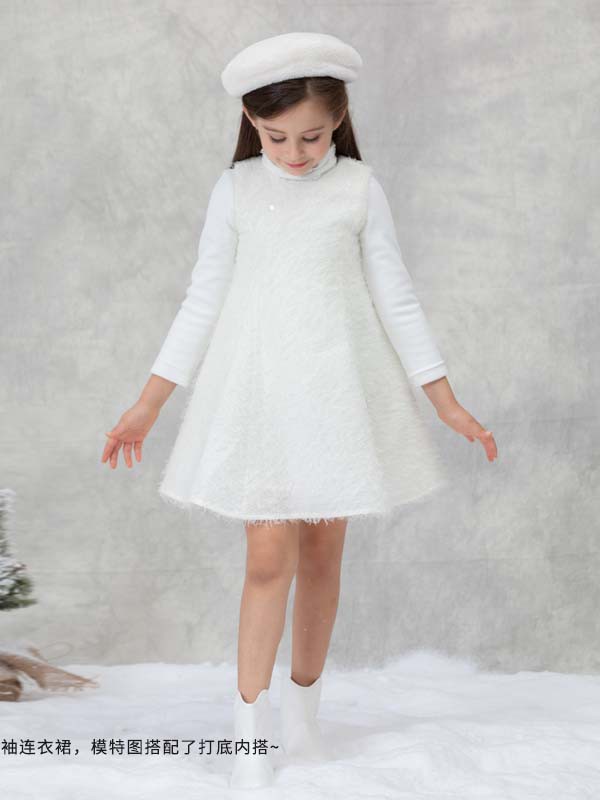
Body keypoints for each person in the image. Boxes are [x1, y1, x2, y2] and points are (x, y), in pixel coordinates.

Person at [101, 32, 498, 790]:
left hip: (337, 396)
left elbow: (396, 297)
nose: (293, 152)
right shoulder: (236, 191)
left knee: (322, 557)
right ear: (251, 123)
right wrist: (148, 403)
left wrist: (444, 400)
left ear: (339, 119)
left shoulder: (359, 188)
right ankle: (250, 736)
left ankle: (304, 723)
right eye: (275, 136)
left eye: (311, 137)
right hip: (259, 396)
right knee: (267, 559)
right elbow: (202, 299)